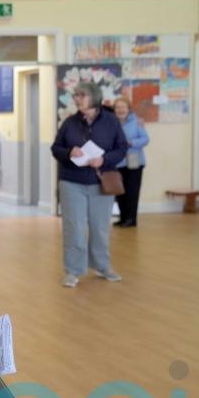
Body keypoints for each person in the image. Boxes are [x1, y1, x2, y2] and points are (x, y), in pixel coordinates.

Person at [51, 82, 128, 288]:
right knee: (74, 228)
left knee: (100, 227)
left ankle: (102, 266)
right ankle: (73, 270)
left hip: (100, 182)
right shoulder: (69, 122)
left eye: (81, 95)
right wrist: (69, 152)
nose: (77, 99)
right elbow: (56, 148)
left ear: (93, 97)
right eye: (75, 95)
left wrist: (104, 159)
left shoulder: (111, 121)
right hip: (71, 182)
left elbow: (121, 148)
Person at [113, 96, 149, 227]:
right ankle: (123, 218)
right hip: (117, 162)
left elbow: (145, 139)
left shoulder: (136, 122)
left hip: (134, 162)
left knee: (132, 192)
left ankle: (131, 219)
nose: (120, 110)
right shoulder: (111, 123)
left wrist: (131, 142)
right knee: (120, 191)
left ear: (128, 109)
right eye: (117, 107)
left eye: (123, 107)